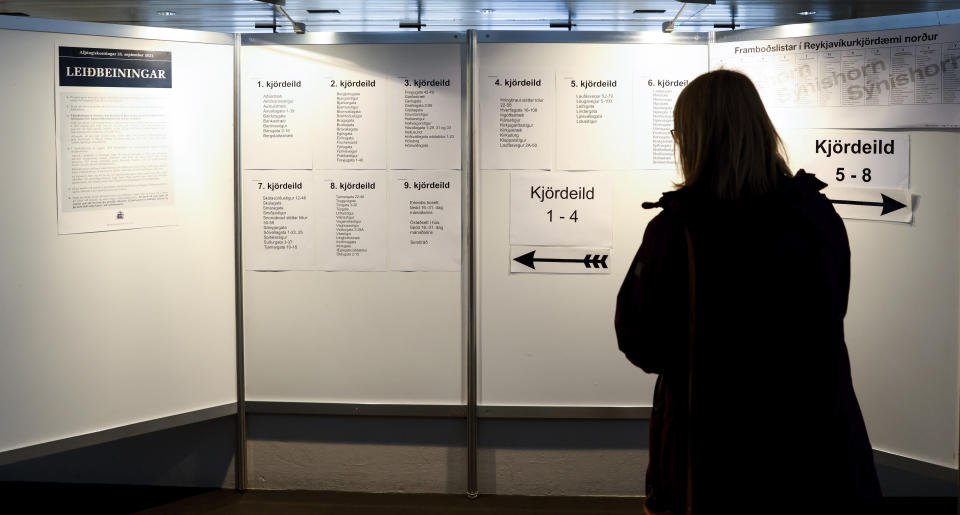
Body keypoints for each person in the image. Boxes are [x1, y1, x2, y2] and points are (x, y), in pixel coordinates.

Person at [614, 69, 881, 514]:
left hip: (714, 451)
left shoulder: (678, 231)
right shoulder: (815, 215)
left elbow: (642, 342)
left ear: (696, 139)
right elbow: (835, 306)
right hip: (817, 445)